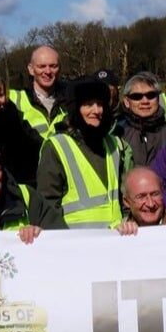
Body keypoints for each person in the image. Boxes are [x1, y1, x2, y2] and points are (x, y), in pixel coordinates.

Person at [37, 78, 130, 229]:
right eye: (88, 105)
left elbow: (124, 198)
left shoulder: (114, 144)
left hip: (115, 241)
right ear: (75, 108)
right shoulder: (56, 146)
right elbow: (48, 207)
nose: (96, 110)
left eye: (100, 104)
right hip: (76, 245)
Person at [113, 72, 166, 167]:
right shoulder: (117, 133)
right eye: (137, 97)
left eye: (151, 95)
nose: (145, 101)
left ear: (158, 98)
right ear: (126, 101)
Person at [9, 45, 67, 140]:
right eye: (42, 66)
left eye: (53, 66)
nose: (48, 71)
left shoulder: (71, 98)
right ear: (31, 69)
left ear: (59, 68)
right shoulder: (12, 99)